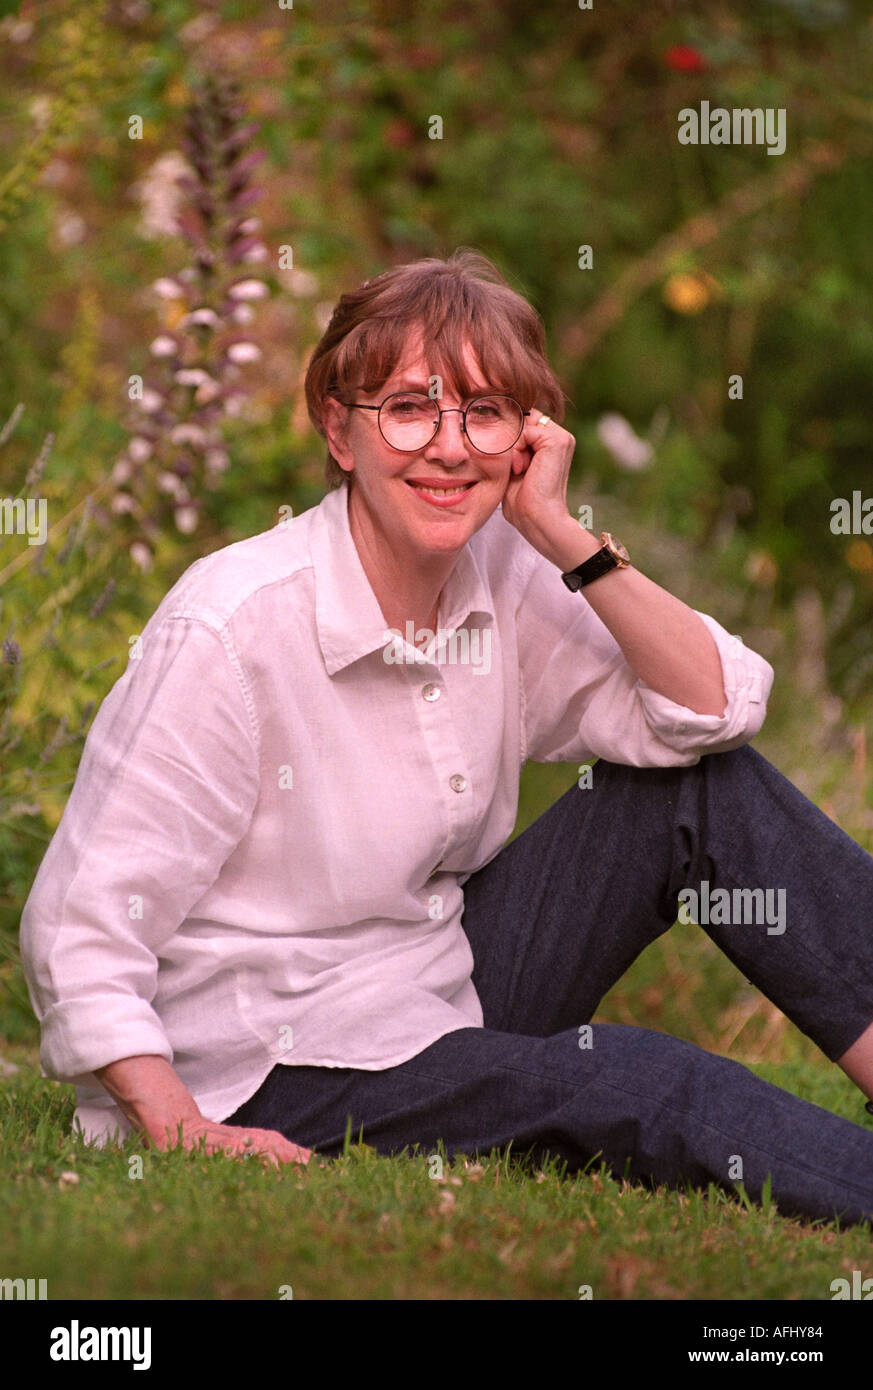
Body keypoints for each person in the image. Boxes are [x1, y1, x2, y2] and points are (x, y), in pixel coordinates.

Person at [19, 249, 873, 1228]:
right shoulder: (229, 629)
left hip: (430, 986)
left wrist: (565, 539)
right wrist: (178, 1122)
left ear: (527, 438)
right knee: (633, 1078)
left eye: (485, 412)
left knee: (701, 786)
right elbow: (80, 921)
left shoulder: (508, 582)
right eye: (410, 408)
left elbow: (717, 706)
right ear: (340, 428)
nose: (449, 447)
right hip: (270, 1057)